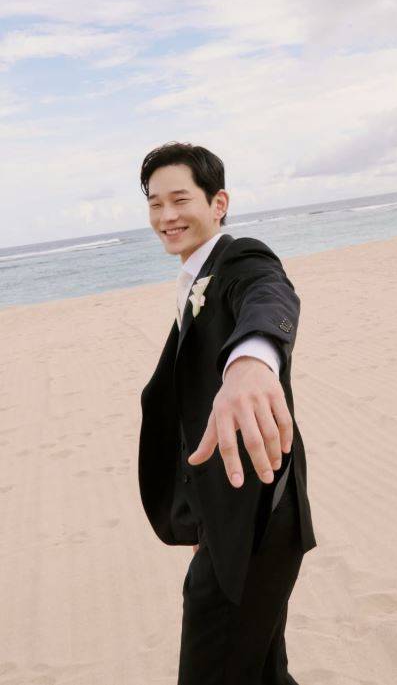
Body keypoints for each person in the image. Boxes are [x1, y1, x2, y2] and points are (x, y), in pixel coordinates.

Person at [137, 141, 317, 684]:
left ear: (218, 204)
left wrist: (251, 362)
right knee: (263, 672)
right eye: (154, 204)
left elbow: (269, 292)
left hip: (257, 520)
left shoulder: (240, 258)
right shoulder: (193, 280)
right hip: (228, 521)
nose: (166, 217)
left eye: (180, 200)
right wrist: (199, 513)